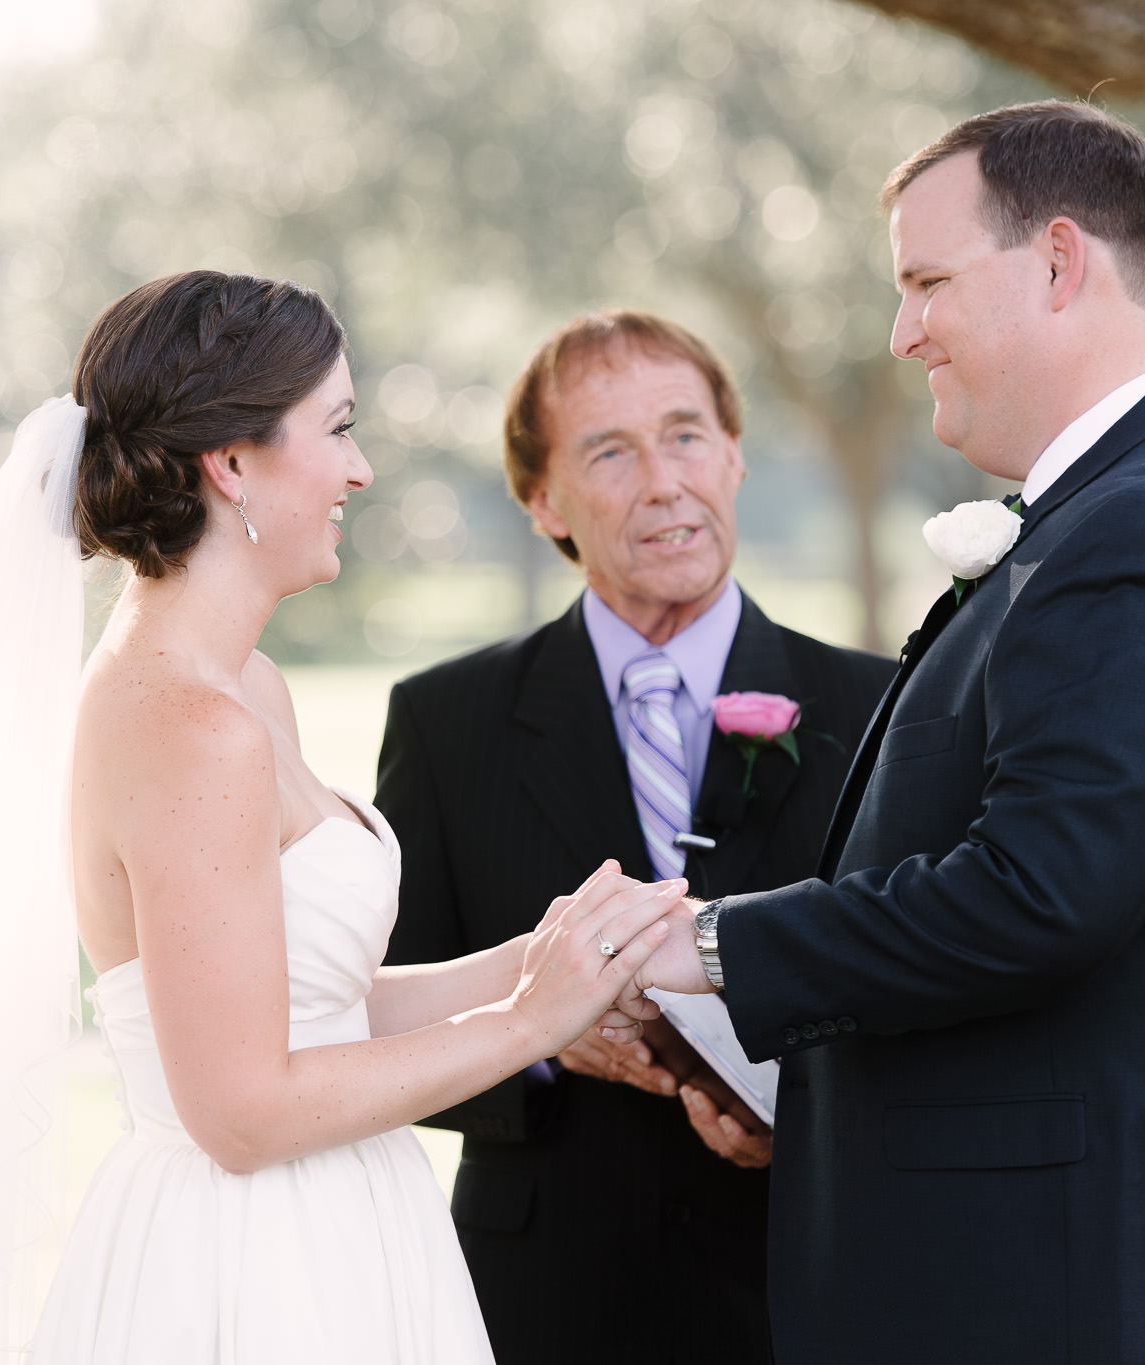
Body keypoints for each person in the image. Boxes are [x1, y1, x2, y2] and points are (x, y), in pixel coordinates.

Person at [0, 271, 679, 1364]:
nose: (359, 468)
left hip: (345, 1222)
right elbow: (241, 1112)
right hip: (250, 1267)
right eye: (336, 429)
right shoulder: (185, 727)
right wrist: (528, 1027)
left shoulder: (246, 691)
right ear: (234, 463)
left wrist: (543, 960)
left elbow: (312, 1005)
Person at [637, 103, 1145, 1364]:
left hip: (1085, 1290)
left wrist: (704, 943)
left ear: (1060, 261)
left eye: (925, 282)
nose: (899, 330)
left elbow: (1036, 896)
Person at [376, 310, 894, 1365]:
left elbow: (915, 981)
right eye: (610, 451)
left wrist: (803, 1122)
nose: (663, 480)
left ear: (736, 457)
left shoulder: (876, 706)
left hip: (802, 1283)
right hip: (543, 1295)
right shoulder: (445, 721)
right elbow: (386, 1007)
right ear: (540, 501)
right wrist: (535, 1036)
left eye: (685, 434)